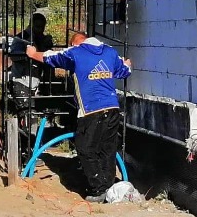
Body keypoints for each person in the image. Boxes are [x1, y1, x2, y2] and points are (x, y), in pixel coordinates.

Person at [25, 27, 131, 197]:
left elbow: (50, 57)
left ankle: (98, 189)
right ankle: (109, 187)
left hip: (91, 110)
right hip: (112, 108)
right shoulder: (110, 52)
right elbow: (124, 71)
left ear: (74, 42)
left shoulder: (76, 52)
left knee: (85, 147)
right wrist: (127, 65)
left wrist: (33, 54)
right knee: (107, 149)